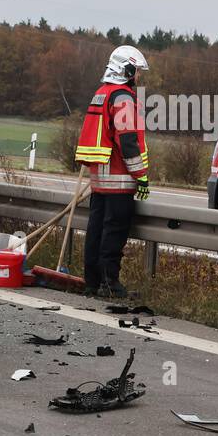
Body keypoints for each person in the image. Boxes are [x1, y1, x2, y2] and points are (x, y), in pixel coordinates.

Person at [75, 44, 150, 298]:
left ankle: (92, 283)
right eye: (136, 71)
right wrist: (141, 176)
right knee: (114, 232)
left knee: (96, 230)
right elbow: (127, 140)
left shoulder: (102, 93)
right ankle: (111, 283)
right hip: (119, 177)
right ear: (126, 70)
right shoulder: (123, 97)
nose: (138, 76)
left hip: (99, 178)